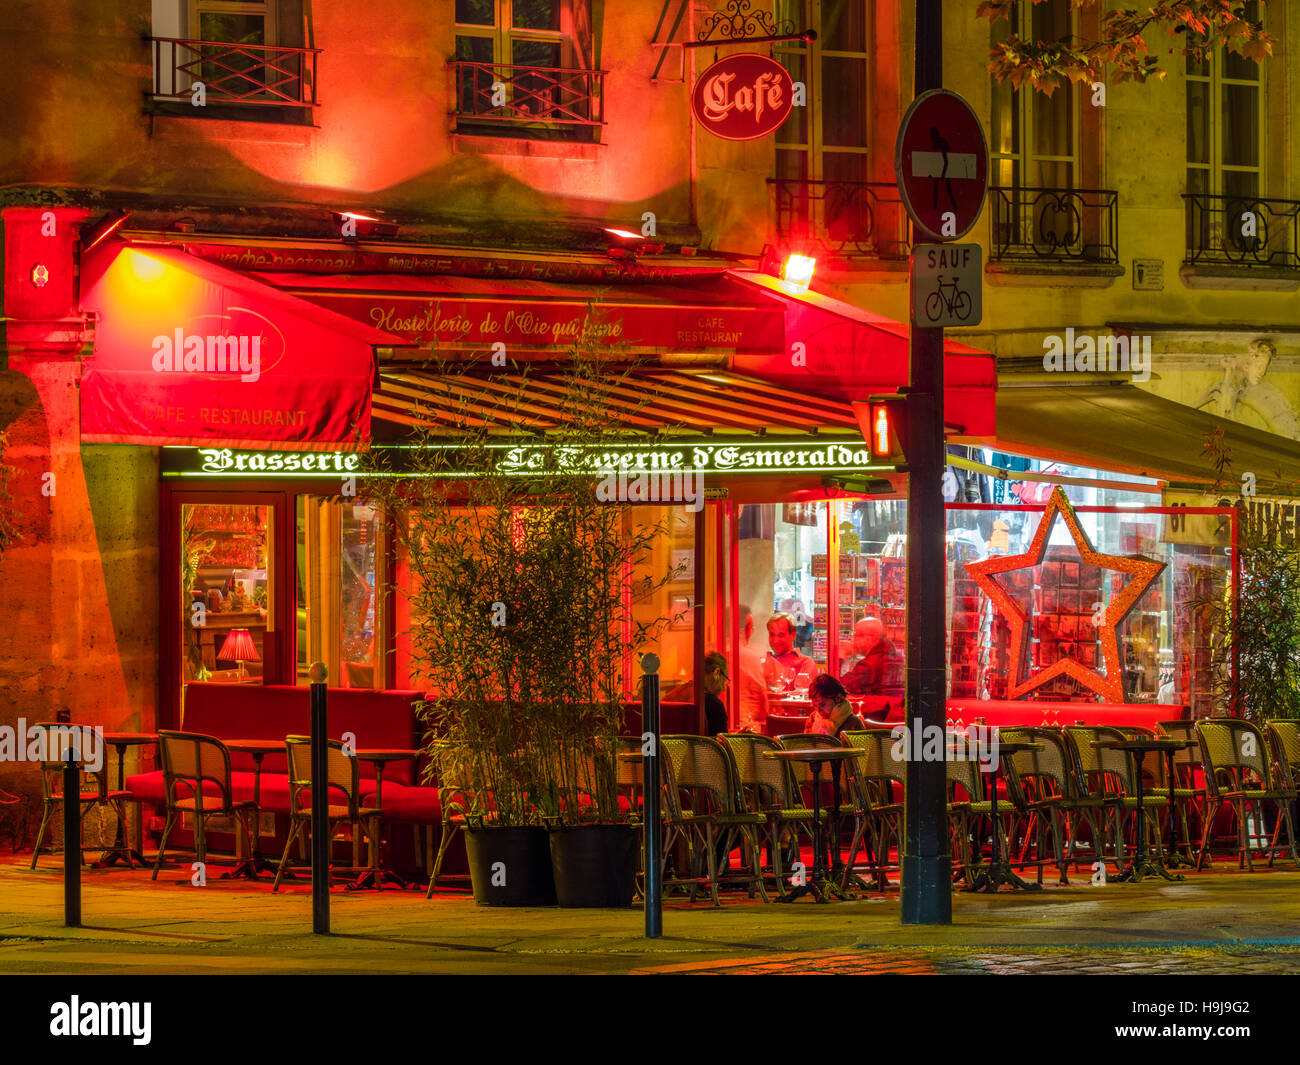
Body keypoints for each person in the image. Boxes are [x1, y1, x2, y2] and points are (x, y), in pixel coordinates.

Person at [841, 616, 900, 695]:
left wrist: (841, 655)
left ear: (873, 639)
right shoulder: (892, 655)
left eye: (857, 635)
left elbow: (836, 689)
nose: (853, 639)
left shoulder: (868, 666)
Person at [762, 612, 818, 691]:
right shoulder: (763, 661)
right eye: (772, 635)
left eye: (780, 635)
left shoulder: (806, 663)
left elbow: (800, 697)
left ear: (793, 635)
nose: (775, 640)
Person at [736, 607, 770, 731]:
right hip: (744, 730)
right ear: (742, 630)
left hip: (713, 728)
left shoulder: (710, 654)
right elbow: (762, 704)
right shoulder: (750, 657)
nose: (752, 631)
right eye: (751, 627)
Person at [702, 652, 730, 737]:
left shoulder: (676, 694)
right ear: (716, 673)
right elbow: (721, 746)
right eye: (725, 678)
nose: (724, 689)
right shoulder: (714, 704)